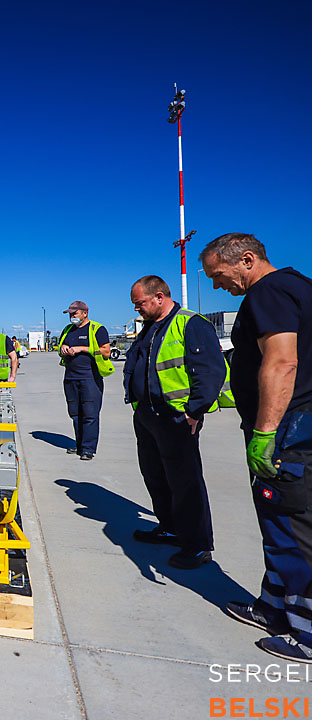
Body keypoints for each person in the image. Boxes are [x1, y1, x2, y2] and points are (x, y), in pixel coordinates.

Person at [201, 233, 312, 663]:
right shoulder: (299, 286)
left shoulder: (268, 292)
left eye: (218, 275)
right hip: (292, 424)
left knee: (293, 525)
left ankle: (304, 632)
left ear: (246, 260)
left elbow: (282, 360)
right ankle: (274, 608)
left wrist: (266, 432)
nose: (216, 285)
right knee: (276, 522)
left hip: (289, 429)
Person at [124, 275, 228, 570]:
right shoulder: (149, 329)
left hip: (176, 419)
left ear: (159, 297)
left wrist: (194, 412)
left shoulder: (190, 324)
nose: (137, 310)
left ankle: (197, 545)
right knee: (155, 476)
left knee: (185, 483)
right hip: (147, 416)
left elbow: (211, 372)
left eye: (140, 303)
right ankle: (169, 527)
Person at [57, 300, 113, 460]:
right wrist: (63, 349)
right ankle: (79, 444)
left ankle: (88, 449)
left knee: (90, 414)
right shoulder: (68, 330)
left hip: (90, 377)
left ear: (85, 313)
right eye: (70, 314)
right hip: (70, 377)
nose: (72, 317)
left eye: (74, 314)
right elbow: (61, 347)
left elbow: (106, 352)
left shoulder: (97, 329)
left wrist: (82, 348)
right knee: (75, 413)